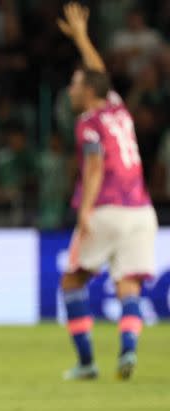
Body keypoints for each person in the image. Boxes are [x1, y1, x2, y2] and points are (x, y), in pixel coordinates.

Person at [57, 3, 158, 380]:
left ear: (87, 91)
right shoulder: (117, 108)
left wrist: (85, 210)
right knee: (127, 284)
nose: (71, 89)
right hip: (141, 211)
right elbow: (99, 72)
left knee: (72, 280)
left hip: (107, 208)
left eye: (74, 84)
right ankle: (128, 351)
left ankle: (86, 363)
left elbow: (95, 166)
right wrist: (82, 37)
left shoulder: (89, 122)